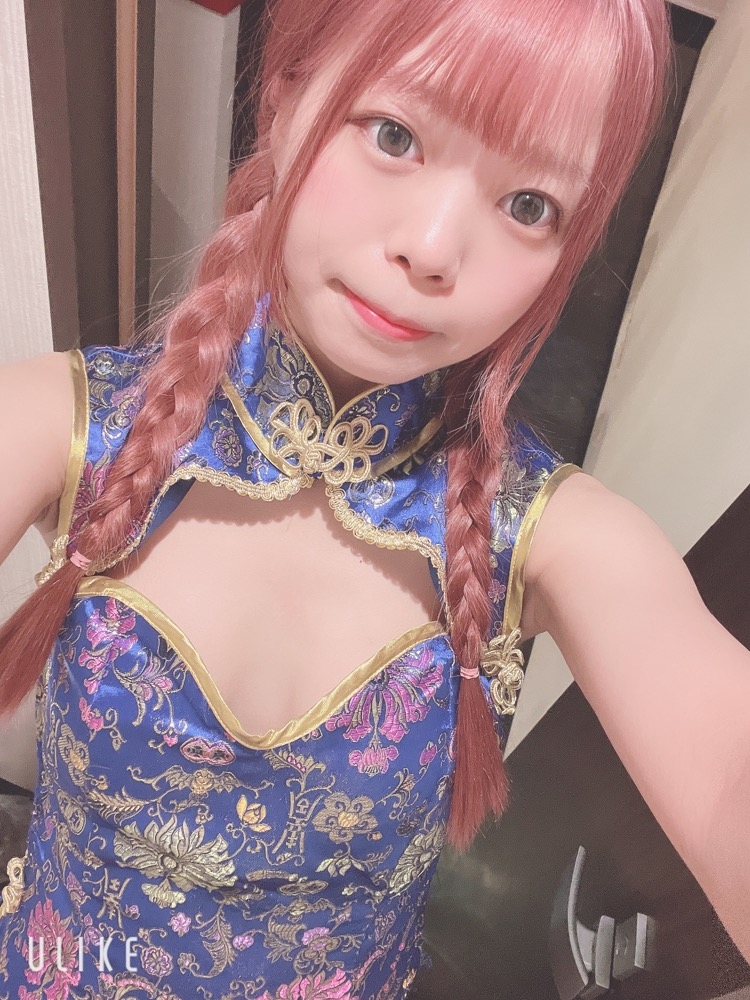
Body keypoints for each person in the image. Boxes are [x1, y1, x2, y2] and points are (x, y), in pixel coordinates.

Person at [0, 0, 748, 995]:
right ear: (284, 96)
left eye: (530, 205)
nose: (434, 248)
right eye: (394, 135)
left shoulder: (557, 539)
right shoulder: (61, 424)